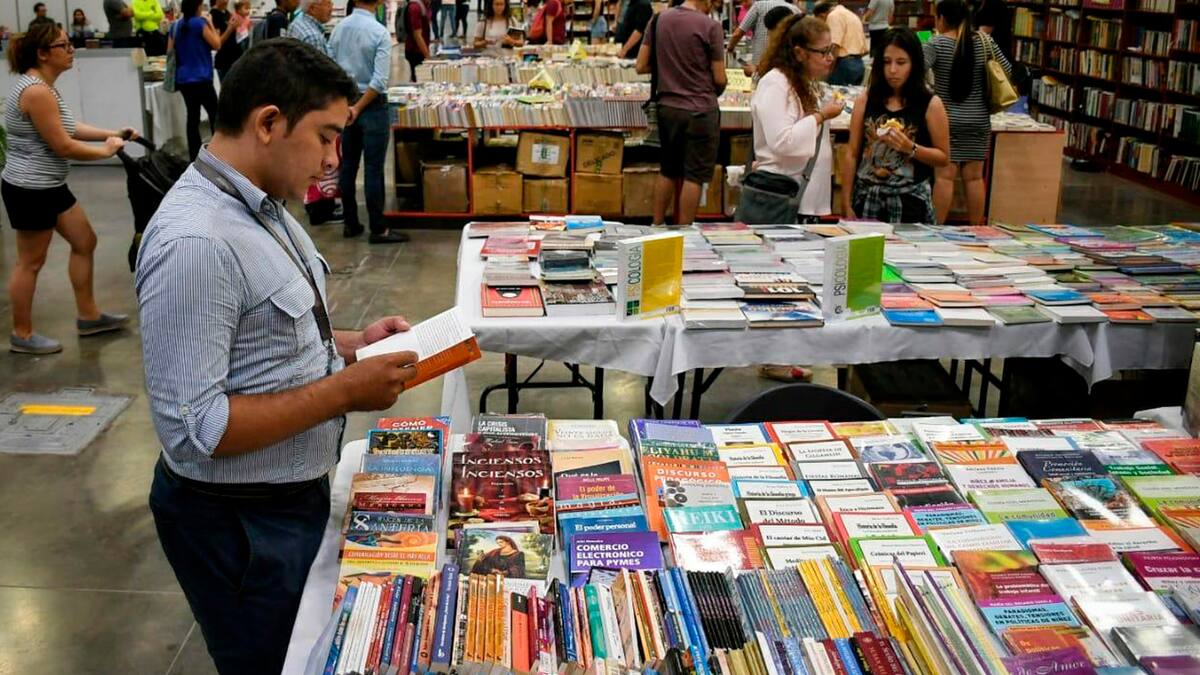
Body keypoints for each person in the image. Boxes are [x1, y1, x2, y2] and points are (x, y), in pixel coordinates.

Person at [138, 39, 421, 674]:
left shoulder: (263, 206)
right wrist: (345, 391)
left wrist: (353, 344)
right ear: (268, 122)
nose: (333, 158)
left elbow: (266, 334)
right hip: (240, 525)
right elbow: (198, 428)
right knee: (269, 660)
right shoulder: (197, 242)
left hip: (286, 501)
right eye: (325, 136)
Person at [4, 24, 136, 355]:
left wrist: (112, 133)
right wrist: (105, 152)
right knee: (31, 262)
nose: (71, 50)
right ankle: (22, 334)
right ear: (43, 54)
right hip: (31, 188)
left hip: (50, 184)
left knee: (84, 241)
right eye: (63, 45)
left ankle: (89, 316)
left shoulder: (44, 88)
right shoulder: (35, 92)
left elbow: (68, 127)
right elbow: (63, 145)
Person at [843, 27, 949, 223]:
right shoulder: (865, 99)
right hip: (866, 197)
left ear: (914, 64)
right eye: (886, 62)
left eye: (901, 62)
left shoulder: (931, 104)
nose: (892, 70)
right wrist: (846, 202)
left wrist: (911, 148)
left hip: (910, 201)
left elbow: (943, 157)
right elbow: (852, 152)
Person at [636, 0, 726, 226]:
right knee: (694, 175)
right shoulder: (710, 27)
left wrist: (670, 68)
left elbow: (641, 65)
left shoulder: (658, 20)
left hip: (668, 108)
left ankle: (657, 224)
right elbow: (720, 78)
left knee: (668, 169)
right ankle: (685, 230)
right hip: (700, 110)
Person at [750, 15, 843, 222]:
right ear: (799, 53)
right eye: (823, 52)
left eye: (831, 50)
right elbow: (782, 141)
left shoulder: (805, 81)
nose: (830, 58)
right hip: (783, 194)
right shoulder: (776, 83)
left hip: (807, 194)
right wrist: (821, 116)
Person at [330, 0, 408, 243]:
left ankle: (350, 222)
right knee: (374, 168)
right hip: (371, 105)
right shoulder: (379, 32)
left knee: (348, 165)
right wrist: (359, 107)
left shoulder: (339, 29)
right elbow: (379, 81)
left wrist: (348, 106)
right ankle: (378, 228)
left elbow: (332, 71)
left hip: (346, 104)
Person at [926, 0, 1009, 224]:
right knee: (974, 178)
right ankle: (976, 229)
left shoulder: (936, 43)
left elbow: (916, 70)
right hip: (978, 119)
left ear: (942, 19)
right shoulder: (985, 41)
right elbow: (1007, 70)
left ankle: (936, 228)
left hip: (946, 121)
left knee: (944, 178)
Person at [169, 0, 237, 160]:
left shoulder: (175, 26)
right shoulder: (200, 24)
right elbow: (217, 44)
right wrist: (211, 23)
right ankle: (218, 152)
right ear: (198, 7)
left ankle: (194, 156)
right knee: (215, 114)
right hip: (202, 77)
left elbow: (170, 50)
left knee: (192, 117)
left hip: (184, 78)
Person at [727, 0, 797, 73]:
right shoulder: (795, 9)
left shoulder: (759, 6)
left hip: (760, 65)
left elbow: (738, 33)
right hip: (787, 67)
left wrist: (730, 48)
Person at [812, 1, 865, 85]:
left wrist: (829, 69)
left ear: (822, 15)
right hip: (859, 64)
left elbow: (834, 45)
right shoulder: (852, 15)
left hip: (843, 65)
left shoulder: (833, 16)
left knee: (834, 92)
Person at [210, 0, 244, 81]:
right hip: (224, 61)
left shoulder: (227, 13)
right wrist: (230, 29)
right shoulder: (213, 15)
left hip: (235, 58)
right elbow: (218, 42)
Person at [403, 0, 432, 80]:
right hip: (415, 51)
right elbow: (417, 35)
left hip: (419, 49)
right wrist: (428, 56)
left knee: (418, 77)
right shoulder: (415, 7)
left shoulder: (423, 5)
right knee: (419, 78)